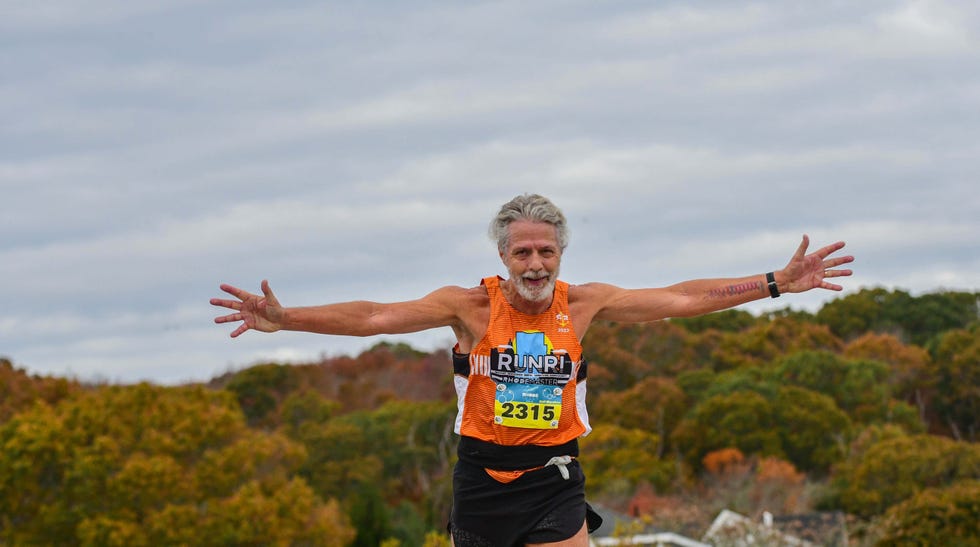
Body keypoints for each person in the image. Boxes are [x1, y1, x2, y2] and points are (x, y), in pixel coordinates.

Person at [211, 193, 854, 547]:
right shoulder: (465, 307)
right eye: (524, 251)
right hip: (482, 481)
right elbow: (376, 315)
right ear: (504, 256)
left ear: (561, 254)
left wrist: (773, 282)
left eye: (547, 250)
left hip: (555, 476)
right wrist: (287, 319)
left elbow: (682, 298)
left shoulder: (586, 303)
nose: (536, 263)